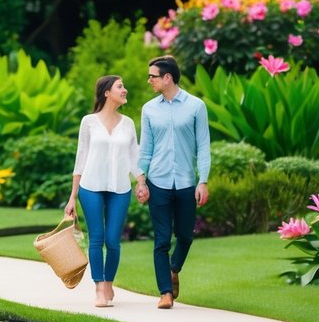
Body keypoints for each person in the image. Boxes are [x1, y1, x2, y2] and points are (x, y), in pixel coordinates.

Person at [135, 55, 210, 309]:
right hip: (158, 181)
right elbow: (145, 149)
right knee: (162, 240)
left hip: (187, 182)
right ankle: (165, 292)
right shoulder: (149, 109)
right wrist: (141, 180)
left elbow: (204, 147)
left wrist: (203, 181)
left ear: (168, 78)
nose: (149, 80)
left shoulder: (196, 106)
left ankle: (174, 268)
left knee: (186, 236)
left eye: (152, 76)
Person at [64, 75, 146, 307]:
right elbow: (80, 159)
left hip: (120, 188)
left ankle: (109, 282)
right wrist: (72, 197)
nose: (125, 90)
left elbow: (133, 157)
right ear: (107, 93)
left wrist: (141, 182)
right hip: (90, 187)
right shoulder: (88, 122)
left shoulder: (128, 123)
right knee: (96, 238)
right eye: (120, 87)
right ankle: (99, 287)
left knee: (113, 241)